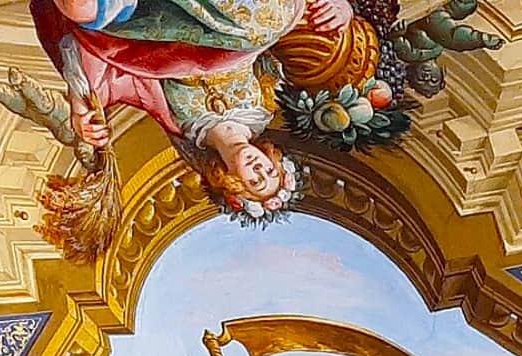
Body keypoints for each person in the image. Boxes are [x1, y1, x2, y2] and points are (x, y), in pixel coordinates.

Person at [28, 0, 353, 217]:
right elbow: (300, 33)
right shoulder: (265, 102)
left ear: (232, 184)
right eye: (269, 170)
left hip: (153, 20)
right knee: (263, 26)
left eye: (256, 181)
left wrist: (82, 105)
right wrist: (342, 7)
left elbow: (113, 80)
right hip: (235, 16)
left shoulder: (180, 125)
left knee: (80, 8)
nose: (259, 169)